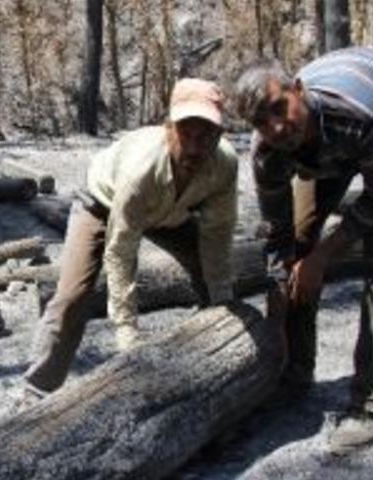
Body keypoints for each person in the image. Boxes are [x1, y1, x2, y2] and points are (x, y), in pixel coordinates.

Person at [235, 46, 373, 454]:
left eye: (278, 108)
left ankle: (372, 405)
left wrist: (323, 258)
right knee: (301, 239)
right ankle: (293, 375)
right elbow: (278, 234)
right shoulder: (268, 153)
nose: (274, 127)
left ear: (298, 90)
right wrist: (280, 302)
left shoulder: (362, 112)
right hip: (329, 143)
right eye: (260, 121)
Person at [23, 78, 239, 399]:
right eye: (186, 135)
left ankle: (213, 353)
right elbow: (121, 252)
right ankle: (36, 390)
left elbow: (218, 235)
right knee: (73, 295)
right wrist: (127, 333)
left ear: (219, 135)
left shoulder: (225, 165)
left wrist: (223, 299)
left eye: (205, 136)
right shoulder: (141, 170)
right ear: (169, 129)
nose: (194, 147)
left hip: (171, 211)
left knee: (210, 276)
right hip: (103, 202)